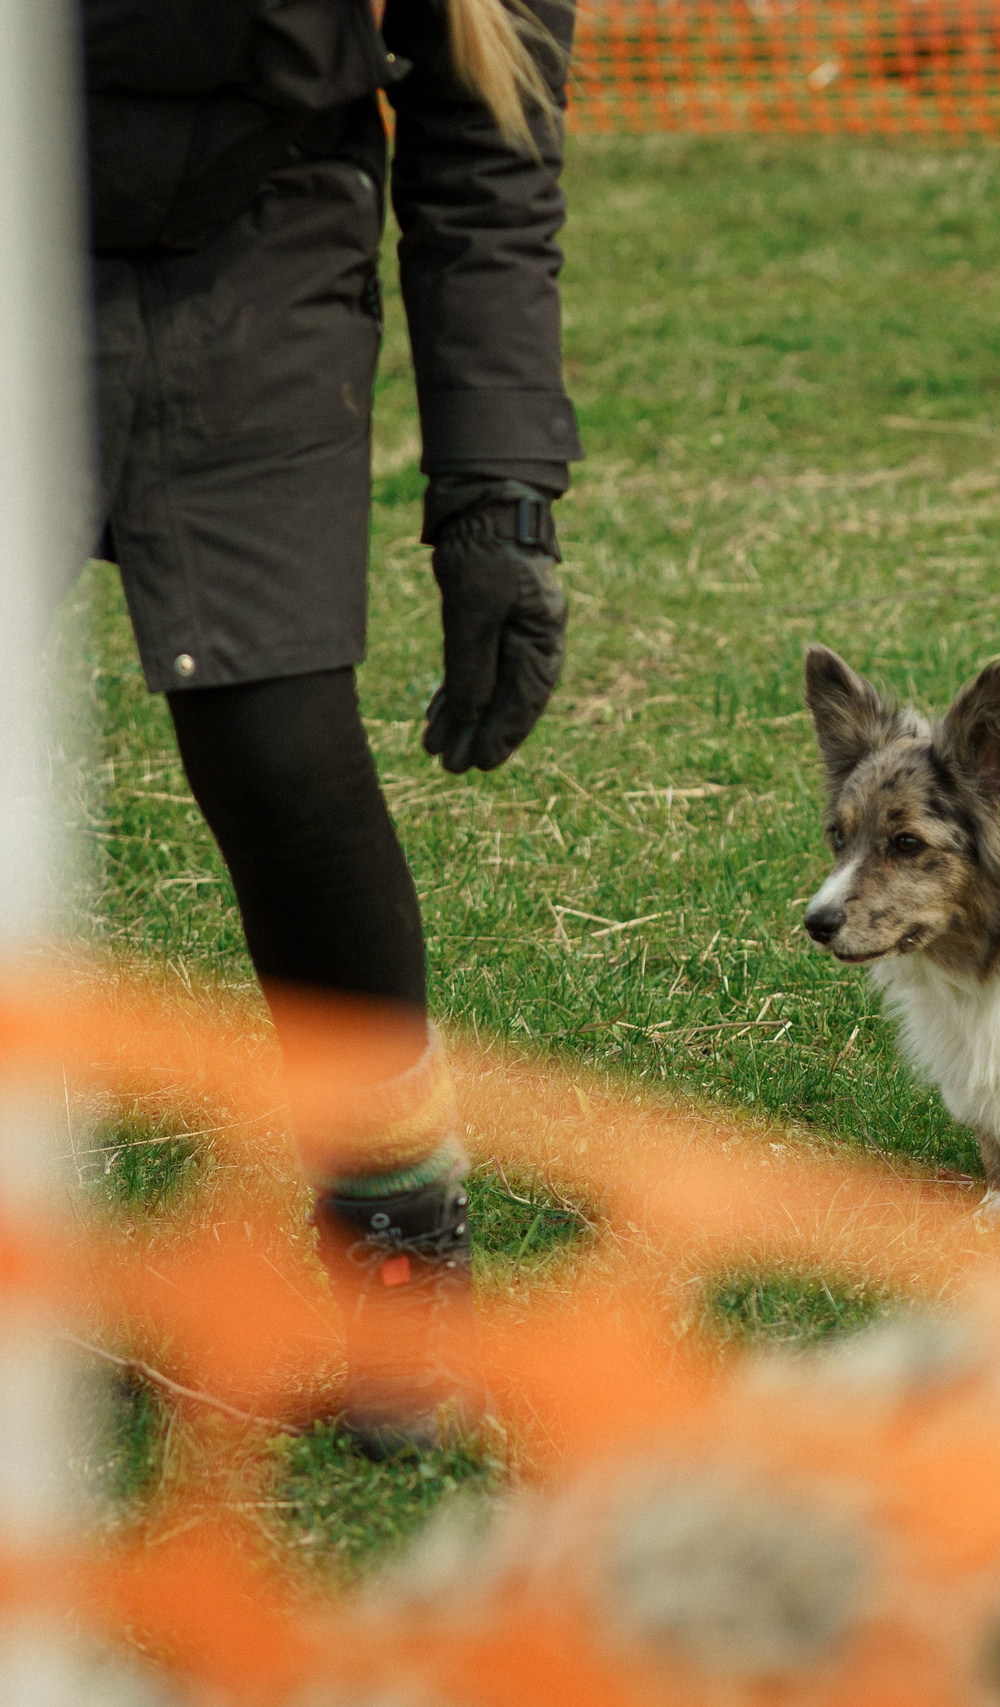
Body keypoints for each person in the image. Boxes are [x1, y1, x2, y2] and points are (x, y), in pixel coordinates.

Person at [83, 0, 580, 1452]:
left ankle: (395, 1254)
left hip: (257, 242)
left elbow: (487, 132)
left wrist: (498, 497)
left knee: (279, 746)